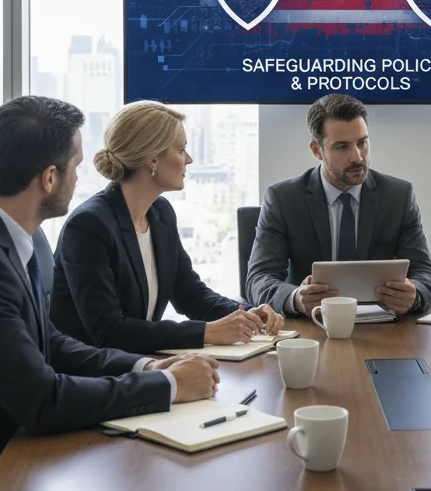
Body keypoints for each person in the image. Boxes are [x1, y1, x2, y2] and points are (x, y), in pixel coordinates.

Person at [0, 98, 219, 491]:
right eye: (76, 166)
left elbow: (49, 343)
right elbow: (42, 401)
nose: (81, 178)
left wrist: (147, 369)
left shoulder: (23, 236)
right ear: (50, 178)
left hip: (23, 450)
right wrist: (169, 388)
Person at [52, 101, 281, 353]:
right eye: (181, 150)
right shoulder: (88, 226)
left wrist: (247, 314)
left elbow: (190, 295)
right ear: (152, 158)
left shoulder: (160, 213)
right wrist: (208, 332)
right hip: (93, 376)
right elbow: (109, 331)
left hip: (137, 365)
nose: (189, 159)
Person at [247, 94, 431, 318]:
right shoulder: (283, 199)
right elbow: (259, 278)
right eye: (342, 147)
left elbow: (425, 272)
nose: (357, 157)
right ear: (317, 150)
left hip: (384, 327)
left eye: (362, 143)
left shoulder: (398, 196)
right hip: (312, 327)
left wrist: (414, 295)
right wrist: (296, 299)